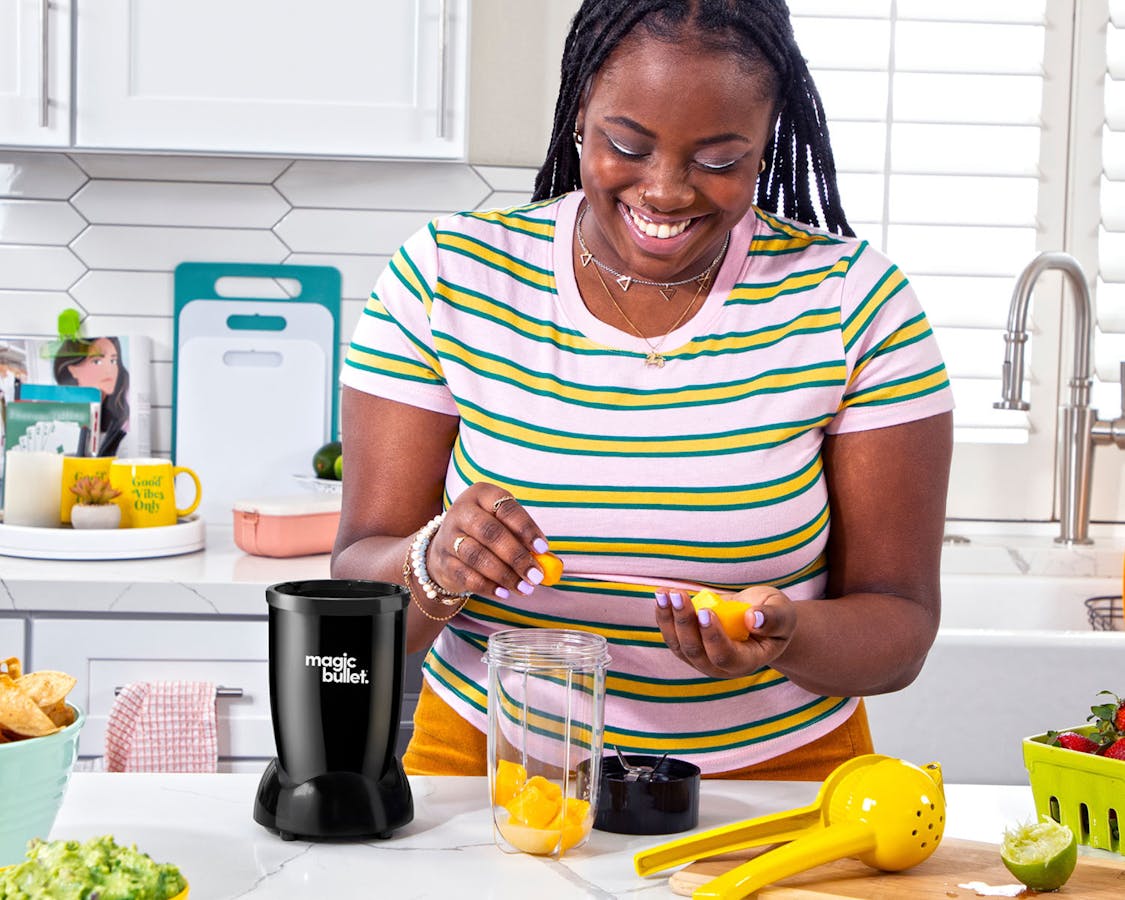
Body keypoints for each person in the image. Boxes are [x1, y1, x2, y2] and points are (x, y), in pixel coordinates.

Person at [332, 0, 954, 781]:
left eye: (719, 159)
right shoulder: (448, 278)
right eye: (627, 145)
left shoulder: (852, 303)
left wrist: (787, 635)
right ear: (578, 114)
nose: (665, 192)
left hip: (775, 784)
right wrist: (436, 562)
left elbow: (899, 627)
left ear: (766, 143)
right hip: (489, 768)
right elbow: (355, 595)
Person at [53, 336, 131, 456]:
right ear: (73, 369)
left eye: (113, 361)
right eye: (97, 361)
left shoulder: (124, 412)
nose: (109, 369)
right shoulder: (58, 417)